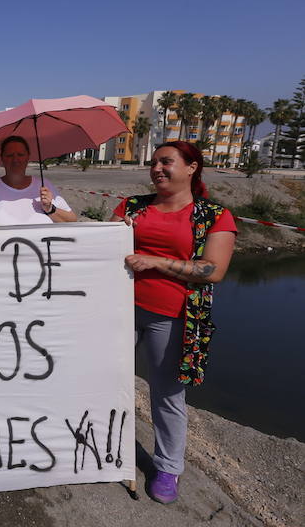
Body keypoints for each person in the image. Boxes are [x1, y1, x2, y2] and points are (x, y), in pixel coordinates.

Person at [110, 141, 236, 505]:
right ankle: (99, 443)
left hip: (171, 317)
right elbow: (104, 249)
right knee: (101, 376)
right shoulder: (132, 206)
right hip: (118, 309)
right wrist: (117, 232)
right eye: (154, 163)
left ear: (192, 167)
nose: (157, 169)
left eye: (166, 162)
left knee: (166, 394)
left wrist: (157, 262)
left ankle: (168, 467)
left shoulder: (213, 215)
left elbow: (213, 270)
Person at [0, 135, 77, 225]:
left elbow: (72, 221)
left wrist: (50, 209)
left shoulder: (44, 186)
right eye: (9, 155)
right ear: (2, 158)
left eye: (20, 154)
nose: (15, 159)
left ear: (28, 157)